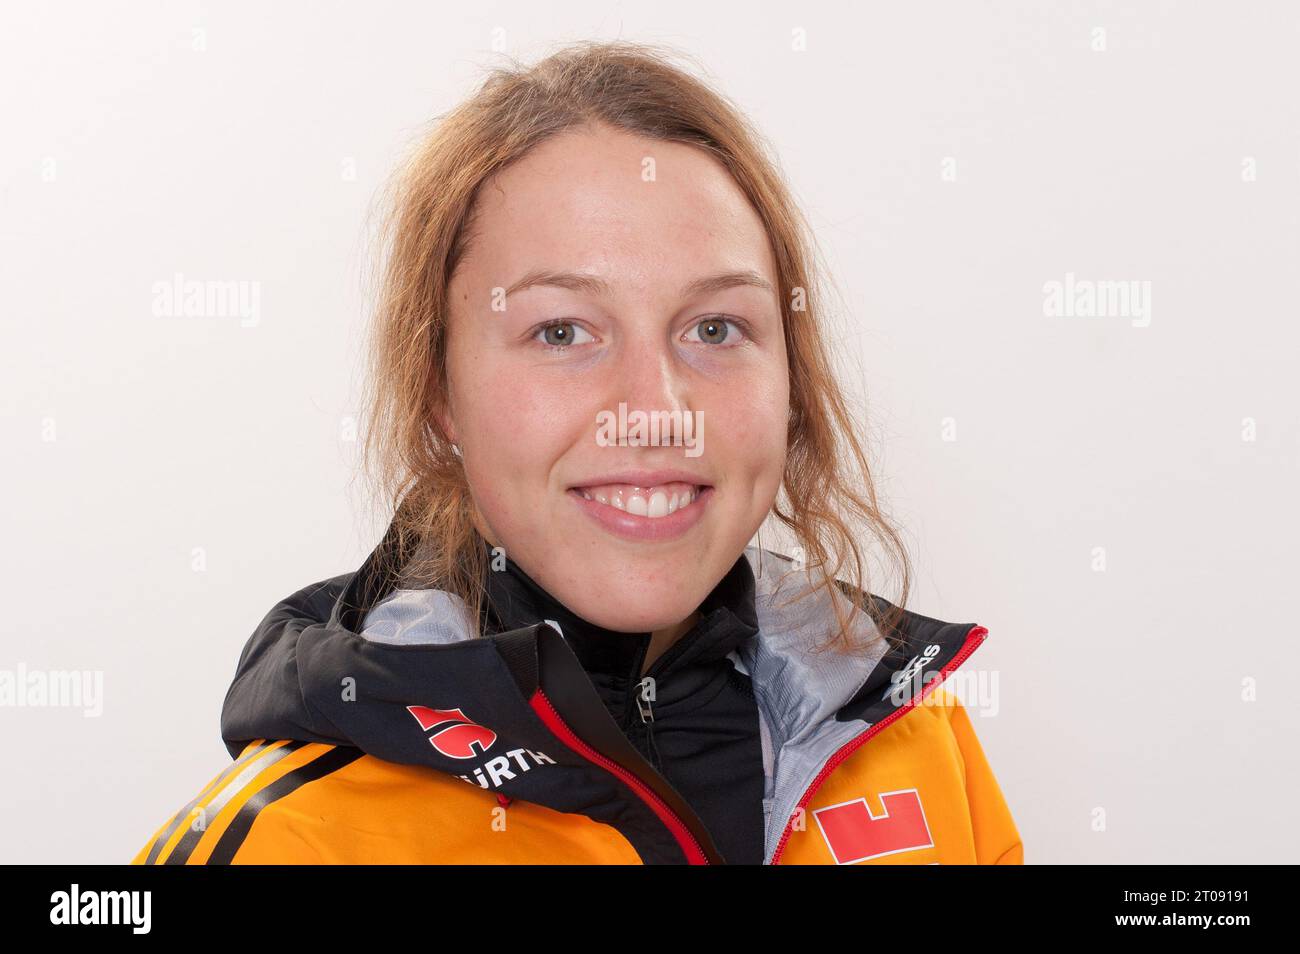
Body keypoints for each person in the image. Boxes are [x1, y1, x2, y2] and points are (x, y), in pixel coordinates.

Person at [132, 39, 1022, 866]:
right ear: (439, 388)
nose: (654, 411)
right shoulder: (292, 839)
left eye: (715, 326)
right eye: (561, 331)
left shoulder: (922, 743)